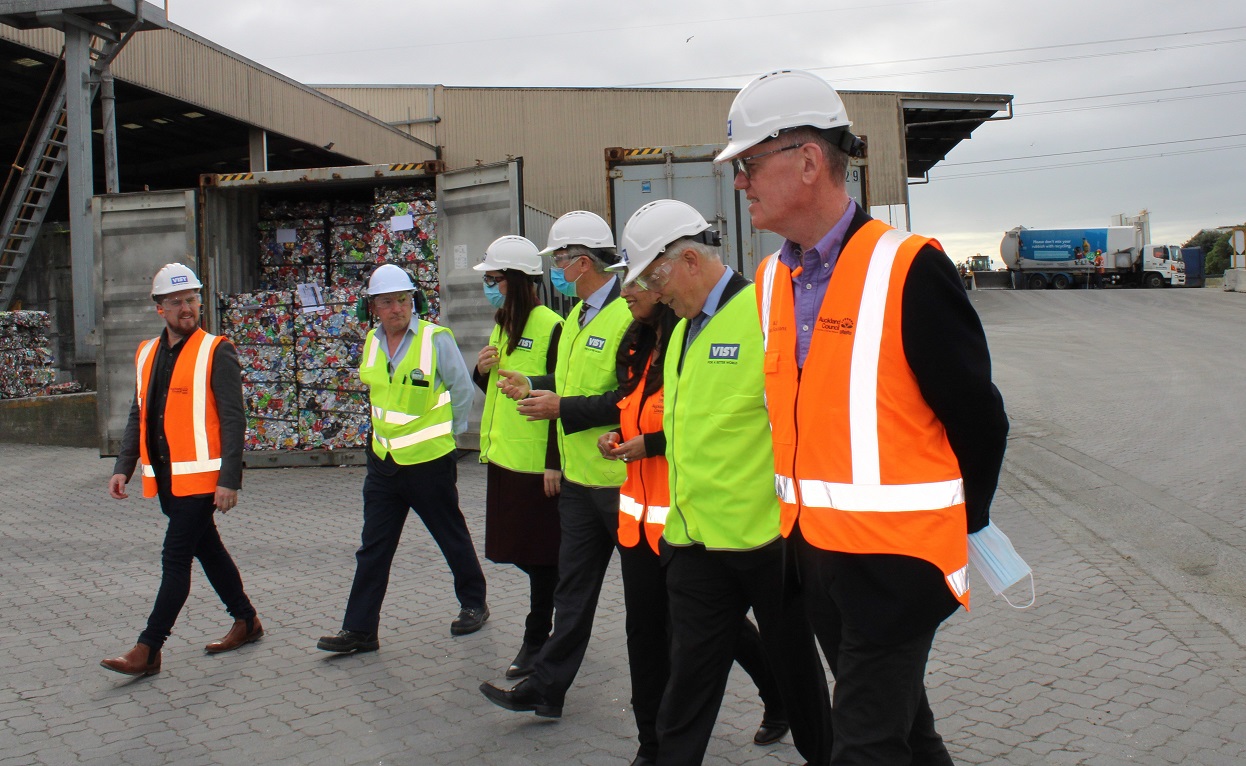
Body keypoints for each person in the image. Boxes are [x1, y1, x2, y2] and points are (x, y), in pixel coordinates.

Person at [715, 69, 1009, 765]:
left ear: (809, 161)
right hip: (816, 563)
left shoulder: (908, 268)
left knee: (865, 745)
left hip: (897, 571)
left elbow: (979, 420)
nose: (741, 182)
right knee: (906, 734)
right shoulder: (770, 282)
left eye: (750, 164)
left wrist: (956, 524)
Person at [621, 200, 832, 766]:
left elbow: (806, 423)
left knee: (798, 678)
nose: (652, 293)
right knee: (687, 685)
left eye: (653, 278)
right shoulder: (683, 328)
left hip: (769, 544)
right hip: (695, 545)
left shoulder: (765, 312)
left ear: (689, 259)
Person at [478, 211, 632, 721]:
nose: (557, 269)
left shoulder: (627, 316)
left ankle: (773, 691)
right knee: (572, 594)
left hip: (622, 485)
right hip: (582, 482)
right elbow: (567, 379)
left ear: (583, 261)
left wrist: (558, 407)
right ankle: (546, 687)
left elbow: (627, 399)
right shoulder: (579, 316)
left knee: (676, 599)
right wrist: (533, 384)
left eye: (561, 260)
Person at [317, 263, 486, 653]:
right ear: (372, 308)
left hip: (429, 462)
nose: (397, 308)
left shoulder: (435, 339)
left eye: (404, 300)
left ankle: (474, 602)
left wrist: (449, 436)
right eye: (388, 302)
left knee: (450, 535)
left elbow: (461, 391)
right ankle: (359, 630)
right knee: (373, 547)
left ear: (415, 301)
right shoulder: (372, 342)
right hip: (383, 461)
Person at [102, 262, 261, 676]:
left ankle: (149, 649)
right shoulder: (147, 353)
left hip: (202, 482)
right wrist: (124, 466)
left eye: (192, 299)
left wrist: (229, 479)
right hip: (168, 481)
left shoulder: (216, 349)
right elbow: (140, 413)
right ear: (160, 308)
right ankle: (246, 620)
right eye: (177, 301)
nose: (187, 308)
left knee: (175, 559)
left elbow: (233, 418)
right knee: (207, 549)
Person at [472, 236, 564, 678]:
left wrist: (554, 461)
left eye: (494, 279)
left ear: (515, 281)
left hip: (536, 466)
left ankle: (537, 638)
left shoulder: (551, 326)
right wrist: (481, 370)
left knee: (542, 559)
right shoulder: (502, 324)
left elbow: (558, 398)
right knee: (519, 553)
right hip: (505, 459)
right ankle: (559, 614)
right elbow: (497, 391)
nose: (489, 287)